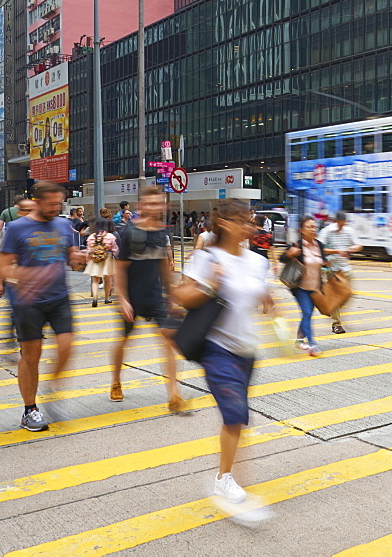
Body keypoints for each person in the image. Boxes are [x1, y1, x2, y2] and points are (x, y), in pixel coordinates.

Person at [172, 198, 274, 523]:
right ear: (227, 224)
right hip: (217, 349)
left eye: (252, 220)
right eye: (246, 220)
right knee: (235, 414)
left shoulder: (257, 262)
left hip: (247, 351)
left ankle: (228, 477)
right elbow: (181, 296)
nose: (252, 226)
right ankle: (224, 480)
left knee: (237, 418)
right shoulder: (207, 258)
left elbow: (261, 296)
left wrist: (269, 301)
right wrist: (211, 284)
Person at [0, 181, 87, 431]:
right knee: (31, 356)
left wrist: (79, 258)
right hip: (28, 302)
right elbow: (4, 267)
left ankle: (53, 387)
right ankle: (30, 410)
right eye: (51, 203)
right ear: (37, 202)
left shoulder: (62, 224)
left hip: (59, 297)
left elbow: (72, 259)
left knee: (67, 347)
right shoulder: (16, 228)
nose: (56, 207)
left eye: (59, 203)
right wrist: (28, 277)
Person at [113, 186, 183, 411]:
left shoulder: (162, 233)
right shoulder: (128, 233)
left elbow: (164, 268)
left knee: (169, 341)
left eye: (159, 203)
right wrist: (122, 299)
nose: (154, 207)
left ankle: (174, 393)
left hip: (155, 297)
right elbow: (120, 269)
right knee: (123, 342)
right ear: (140, 206)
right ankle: (116, 381)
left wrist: (171, 297)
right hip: (131, 298)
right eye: (150, 203)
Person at [284, 216, 325, 357]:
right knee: (307, 313)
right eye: (309, 227)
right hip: (300, 287)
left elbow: (323, 260)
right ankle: (313, 344)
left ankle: (299, 340)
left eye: (314, 226)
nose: (313, 229)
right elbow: (282, 258)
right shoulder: (298, 245)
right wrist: (290, 254)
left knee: (307, 314)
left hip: (315, 287)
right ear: (302, 230)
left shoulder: (319, 244)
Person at [319, 212, 362, 334]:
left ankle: (333, 309)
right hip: (332, 268)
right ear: (336, 221)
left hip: (345, 268)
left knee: (348, 293)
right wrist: (337, 251)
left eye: (344, 224)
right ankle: (336, 324)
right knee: (335, 296)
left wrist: (354, 248)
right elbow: (319, 248)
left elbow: (358, 245)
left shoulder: (348, 231)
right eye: (340, 223)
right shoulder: (327, 231)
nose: (342, 226)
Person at [84, 218, 118, 307]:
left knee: (95, 280)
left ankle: (95, 298)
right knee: (107, 280)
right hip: (107, 259)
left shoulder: (92, 236)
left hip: (95, 260)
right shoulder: (109, 236)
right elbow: (115, 249)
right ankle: (107, 298)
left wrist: (87, 259)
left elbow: (89, 250)